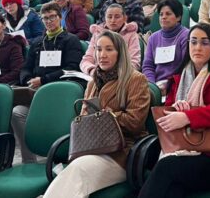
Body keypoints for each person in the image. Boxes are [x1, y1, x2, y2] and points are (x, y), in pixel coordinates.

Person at [139, 23, 210, 197]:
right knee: (173, 190)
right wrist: (176, 109)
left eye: (205, 43)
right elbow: (169, 117)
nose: (198, 47)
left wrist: (188, 116)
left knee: (166, 168)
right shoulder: (178, 76)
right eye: (193, 42)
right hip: (183, 149)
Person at [43, 31, 150, 198]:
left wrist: (109, 116)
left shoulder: (135, 79)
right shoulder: (93, 82)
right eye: (99, 49)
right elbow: (83, 117)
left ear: (120, 53)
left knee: (76, 172)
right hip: (92, 147)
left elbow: (135, 123)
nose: (102, 55)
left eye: (109, 49)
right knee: (73, 178)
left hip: (122, 152)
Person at [14, 2, 85, 163]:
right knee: (17, 112)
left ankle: (63, 155)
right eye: (45, 18)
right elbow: (25, 67)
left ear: (60, 18)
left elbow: (71, 68)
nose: (49, 21)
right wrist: (27, 80)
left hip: (60, 94)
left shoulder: (70, 40)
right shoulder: (38, 42)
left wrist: (44, 80)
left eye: (52, 17)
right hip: (36, 93)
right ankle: (30, 160)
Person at [141, 0, 190, 92]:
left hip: (178, 85)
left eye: (168, 14)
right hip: (156, 85)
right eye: (161, 14)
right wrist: (153, 87)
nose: (163, 17)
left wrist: (170, 84)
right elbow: (148, 66)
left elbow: (186, 67)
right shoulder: (153, 38)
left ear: (178, 17)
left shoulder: (186, 36)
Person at [80, 4, 141, 75]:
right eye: (109, 17)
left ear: (125, 18)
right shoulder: (97, 33)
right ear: (105, 19)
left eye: (117, 17)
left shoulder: (131, 34)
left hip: (121, 77)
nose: (113, 20)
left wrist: (115, 74)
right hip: (97, 76)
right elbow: (86, 60)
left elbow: (134, 62)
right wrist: (93, 71)